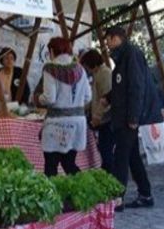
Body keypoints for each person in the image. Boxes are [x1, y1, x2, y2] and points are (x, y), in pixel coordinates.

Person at [105, 26, 163, 209]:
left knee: (120, 156)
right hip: (123, 115)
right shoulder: (122, 57)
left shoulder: (132, 54)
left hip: (128, 117)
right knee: (131, 156)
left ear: (116, 38)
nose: (106, 43)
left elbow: (136, 87)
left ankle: (117, 198)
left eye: (108, 39)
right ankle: (145, 194)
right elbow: (122, 87)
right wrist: (108, 97)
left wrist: (133, 117)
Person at [38, 37, 91, 177]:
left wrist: (39, 98)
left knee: (51, 164)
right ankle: (81, 191)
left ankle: (52, 196)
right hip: (77, 123)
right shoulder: (80, 69)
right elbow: (88, 97)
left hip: (56, 123)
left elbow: (50, 98)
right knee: (69, 163)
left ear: (51, 50)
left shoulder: (50, 68)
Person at [80, 49, 114, 173]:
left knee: (106, 151)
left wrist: (97, 116)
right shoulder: (98, 74)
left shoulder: (105, 73)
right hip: (102, 119)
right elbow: (95, 98)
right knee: (104, 150)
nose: (86, 70)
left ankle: (111, 176)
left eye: (86, 66)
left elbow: (106, 99)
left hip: (107, 120)